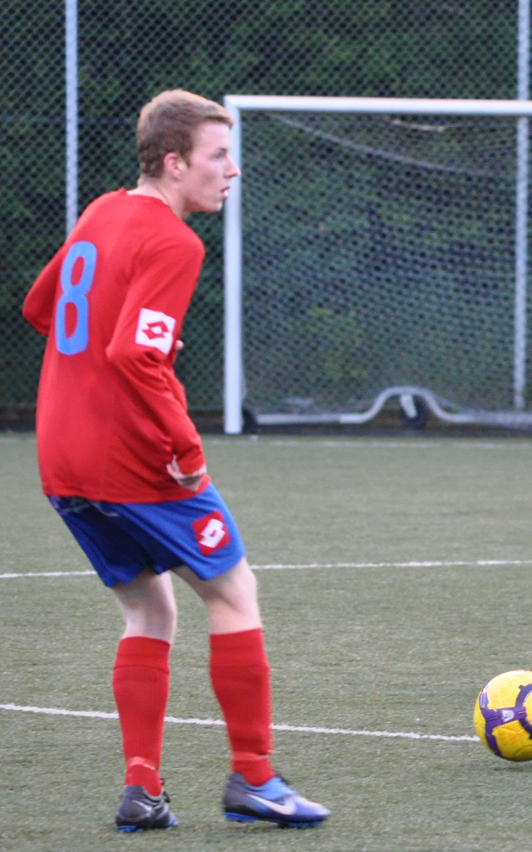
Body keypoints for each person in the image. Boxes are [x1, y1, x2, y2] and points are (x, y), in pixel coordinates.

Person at [22, 90, 330, 831]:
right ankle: (255, 778)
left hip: (61, 458)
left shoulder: (103, 211)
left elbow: (40, 307)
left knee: (149, 607)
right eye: (218, 155)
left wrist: (123, 337)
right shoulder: (175, 241)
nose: (233, 169)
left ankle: (142, 790)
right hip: (131, 459)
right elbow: (134, 353)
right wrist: (187, 448)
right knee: (234, 592)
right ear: (174, 163)